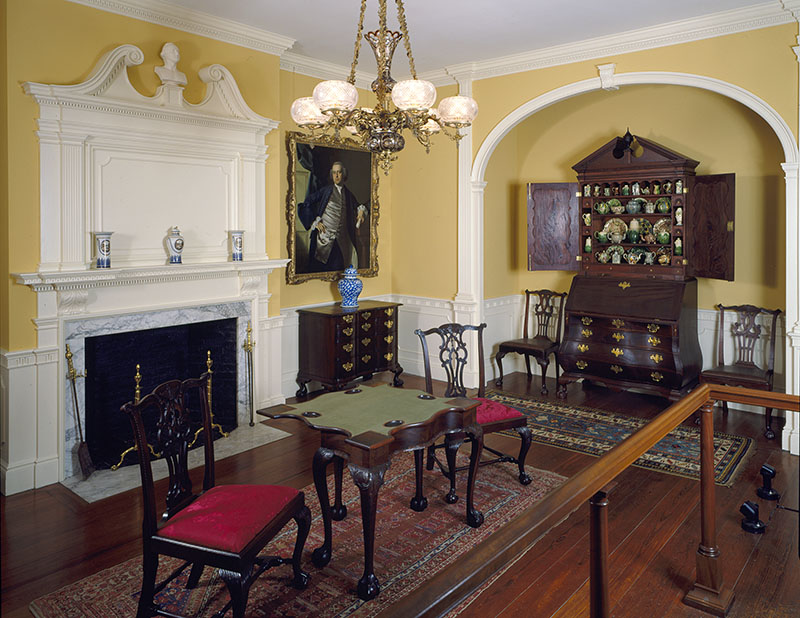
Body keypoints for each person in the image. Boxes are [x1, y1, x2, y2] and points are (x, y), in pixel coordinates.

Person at [298, 161, 368, 272]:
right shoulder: (326, 191)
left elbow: (359, 206)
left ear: (343, 174)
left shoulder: (348, 194)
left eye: (339, 172)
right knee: (319, 270)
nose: (336, 175)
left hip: (340, 242)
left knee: (338, 270)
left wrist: (361, 211)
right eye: (334, 172)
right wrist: (313, 221)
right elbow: (306, 203)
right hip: (323, 240)